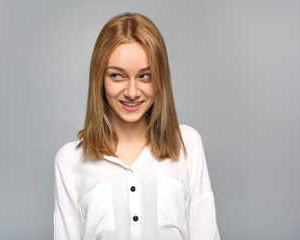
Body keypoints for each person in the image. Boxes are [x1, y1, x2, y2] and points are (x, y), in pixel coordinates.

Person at [54, 12, 220, 240]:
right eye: (117, 76)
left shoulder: (187, 145)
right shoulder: (70, 161)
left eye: (145, 76)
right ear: (99, 80)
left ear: (160, 78)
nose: (132, 92)